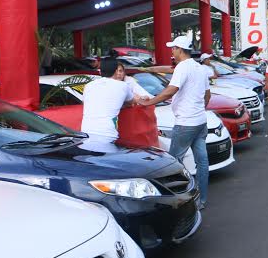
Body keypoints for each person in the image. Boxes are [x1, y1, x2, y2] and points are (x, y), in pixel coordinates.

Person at [137, 36, 211, 209]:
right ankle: (202, 200)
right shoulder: (200, 68)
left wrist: (148, 102)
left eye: (173, 48)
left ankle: (177, 202)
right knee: (202, 162)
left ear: (180, 49)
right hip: (201, 122)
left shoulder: (182, 68)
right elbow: (207, 95)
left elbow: (170, 91)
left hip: (186, 123)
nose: (172, 51)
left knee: (173, 163)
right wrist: (200, 109)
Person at [81, 59, 139, 142]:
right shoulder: (122, 86)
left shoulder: (88, 85)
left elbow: (85, 103)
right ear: (116, 71)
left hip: (86, 132)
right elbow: (132, 101)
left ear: (100, 72)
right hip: (108, 134)